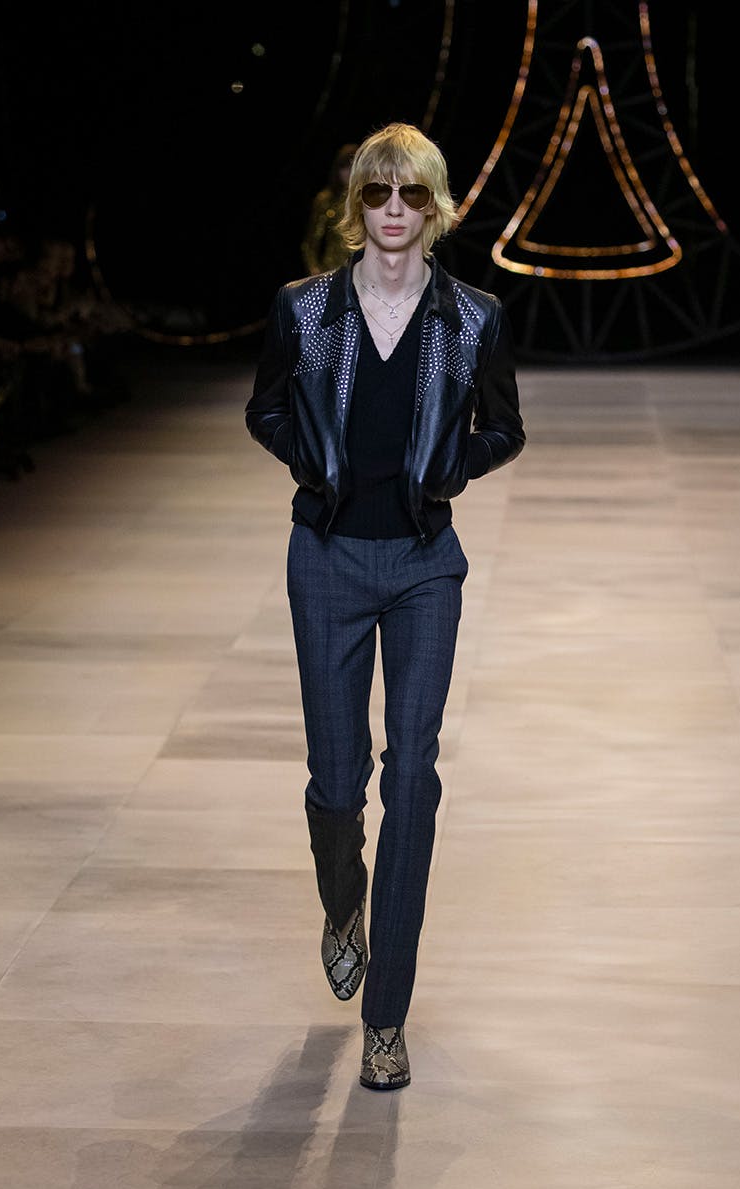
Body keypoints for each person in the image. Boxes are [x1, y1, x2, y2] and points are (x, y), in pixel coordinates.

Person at [245, 121, 525, 1090]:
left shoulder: (474, 318)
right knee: (336, 781)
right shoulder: (303, 308)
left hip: (422, 564)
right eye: (377, 192)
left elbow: (506, 427)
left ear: (435, 207)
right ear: (355, 204)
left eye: (410, 194)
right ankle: (341, 902)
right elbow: (264, 407)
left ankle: (386, 1019)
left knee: (412, 779)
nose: (393, 210)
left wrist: (454, 466)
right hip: (325, 555)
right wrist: (312, 464)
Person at [300, 142, 358, 274]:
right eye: (344, 167)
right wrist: (314, 269)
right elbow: (311, 242)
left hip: (362, 270)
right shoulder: (326, 199)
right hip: (332, 270)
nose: (348, 173)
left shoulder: (367, 199)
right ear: (337, 170)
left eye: (352, 167)